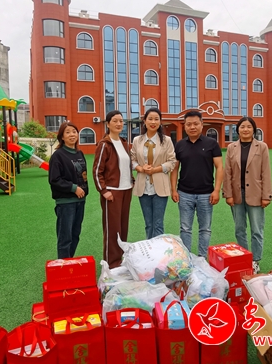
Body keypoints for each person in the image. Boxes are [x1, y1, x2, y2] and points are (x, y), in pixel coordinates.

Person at [223, 116, 272, 274]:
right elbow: (228, 172)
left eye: (249, 127)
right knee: (239, 229)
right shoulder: (231, 148)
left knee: (257, 230)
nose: (245, 129)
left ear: (254, 130)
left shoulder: (262, 147)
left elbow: (266, 172)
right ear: (238, 130)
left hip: (256, 194)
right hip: (237, 193)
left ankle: (255, 260)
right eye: (242, 127)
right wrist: (228, 194)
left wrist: (266, 195)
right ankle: (243, 258)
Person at [170, 110, 224, 257]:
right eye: (189, 124)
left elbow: (219, 167)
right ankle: (186, 257)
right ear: (185, 126)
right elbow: (175, 169)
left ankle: (201, 257)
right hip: (184, 193)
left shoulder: (212, 144)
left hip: (206, 194)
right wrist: (173, 189)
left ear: (202, 124)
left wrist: (217, 190)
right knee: (185, 228)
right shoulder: (180, 145)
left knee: (205, 229)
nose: (192, 127)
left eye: (195, 124)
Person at [93, 110, 133, 268]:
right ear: (108, 124)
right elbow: (97, 171)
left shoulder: (124, 143)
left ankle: (121, 260)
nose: (118, 124)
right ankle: (111, 264)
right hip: (112, 192)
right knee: (112, 229)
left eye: (121, 121)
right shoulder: (104, 144)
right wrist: (104, 191)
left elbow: (126, 165)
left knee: (123, 228)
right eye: (115, 121)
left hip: (126, 190)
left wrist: (132, 180)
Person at [131, 108, 177, 239]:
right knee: (148, 224)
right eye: (150, 119)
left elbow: (172, 162)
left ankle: (158, 250)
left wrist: (155, 170)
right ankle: (150, 248)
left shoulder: (166, 140)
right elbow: (132, 160)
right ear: (144, 121)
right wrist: (140, 168)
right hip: (143, 187)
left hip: (160, 187)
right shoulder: (137, 140)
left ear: (160, 122)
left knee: (158, 224)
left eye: (156, 119)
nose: (153, 122)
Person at [48, 121, 89, 259]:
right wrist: (73, 188)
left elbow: (83, 175)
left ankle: (69, 262)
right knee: (65, 237)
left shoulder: (79, 153)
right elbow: (54, 179)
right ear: (62, 137)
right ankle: (63, 265)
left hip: (80, 201)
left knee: (75, 234)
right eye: (68, 132)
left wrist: (83, 191)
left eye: (74, 131)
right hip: (66, 203)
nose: (72, 135)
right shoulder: (58, 156)